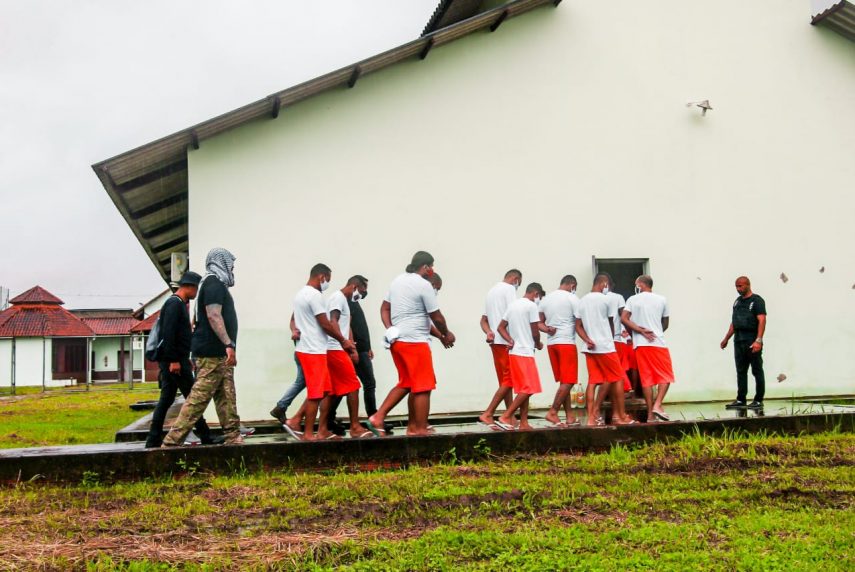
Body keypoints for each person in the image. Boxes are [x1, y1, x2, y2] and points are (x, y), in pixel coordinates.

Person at [366, 251, 455, 437]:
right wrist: (446, 333)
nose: (432, 270)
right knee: (424, 386)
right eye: (431, 266)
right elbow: (436, 317)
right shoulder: (423, 285)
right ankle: (420, 429)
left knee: (408, 383)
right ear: (426, 267)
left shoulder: (397, 281)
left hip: (398, 341)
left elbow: (384, 308)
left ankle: (401, 424)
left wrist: (390, 328)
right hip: (415, 342)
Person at [162, 248, 243, 447]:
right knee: (198, 398)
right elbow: (213, 315)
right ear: (220, 262)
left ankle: (233, 437)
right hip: (213, 353)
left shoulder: (210, 283)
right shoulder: (214, 283)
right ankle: (171, 443)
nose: (232, 267)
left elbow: (195, 320)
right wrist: (228, 343)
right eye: (230, 263)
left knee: (226, 396)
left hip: (217, 353)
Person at [145, 272, 222, 448]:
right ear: (190, 286)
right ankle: (205, 436)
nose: (196, 294)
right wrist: (174, 361)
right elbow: (169, 334)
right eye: (196, 289)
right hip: (173, 362)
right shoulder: (174, 304)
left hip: (178, 360)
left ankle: (153, 438)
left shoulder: (178, 304)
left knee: (169, 399)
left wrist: (185, 358)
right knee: (193, 397)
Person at [288, 264, 358, 441]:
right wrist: (343, 341)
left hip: (312, 348)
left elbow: (294, 320)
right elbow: (325, 324)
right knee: (316, 394)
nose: (327, 283)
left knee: (326, 391)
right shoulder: (314, 295)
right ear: (322, 277)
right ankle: (308, 434)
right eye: (327, 279)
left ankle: (322, 430)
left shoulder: (300, 294)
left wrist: (294, 330)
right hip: (313, 350)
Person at [574, 274, 634, 427]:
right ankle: (619, 416)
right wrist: (611, 338)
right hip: (606, 346)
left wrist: (587, 339)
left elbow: (578, 326)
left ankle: (591, 417)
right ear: (603, 283)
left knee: (593, 381)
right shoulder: (606, 300)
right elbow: (610, 323)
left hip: (589, 347)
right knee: (618, 378)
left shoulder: (581, 301)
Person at [494, 283, 551, 431]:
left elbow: (500, 327)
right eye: (539, 297)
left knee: (523, 388)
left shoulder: (513, 305)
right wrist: (538, 343)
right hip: (525, 352)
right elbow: (535, 331)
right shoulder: (531, 306)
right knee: (529, 387)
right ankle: (506, 416)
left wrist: (510, 340)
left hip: (515, 352)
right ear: (536, 294)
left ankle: (524, 422)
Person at [621, 275, 675, 422]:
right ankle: (657, 405)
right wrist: (655, 332)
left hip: (640, 345)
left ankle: (651, 414)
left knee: (647, 380)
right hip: (657, 343)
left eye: (636, 284)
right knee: (666, 376)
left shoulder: (632, 299)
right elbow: (666, 323)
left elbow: (624, 318)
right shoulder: (662, 299)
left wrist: (638, 331)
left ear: (640, 284)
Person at [478, 269, 522, 426]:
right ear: (515, 279)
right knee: (509, 379)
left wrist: (489, 332)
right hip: (506, 341)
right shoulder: (509, 289)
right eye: (518, 283)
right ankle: (488, 413)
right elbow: (513, 313)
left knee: (505, 381)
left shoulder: (491, 291)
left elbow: (483, 320)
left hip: (495, 341)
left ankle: (510, 415)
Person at [539, 275, 581, 427]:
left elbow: (539, 322)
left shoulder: (546, 299)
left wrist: (548, 329)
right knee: (569, 381)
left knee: (564, 382)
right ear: (572, 284)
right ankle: (553, 411)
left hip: (552, 344)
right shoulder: (572, 298)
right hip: (566, 342)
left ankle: (569, 416)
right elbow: (579, 322)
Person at [720, 276, 767, 409]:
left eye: (740, 286)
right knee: (741, 371)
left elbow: (762, 320)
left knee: (756, 370)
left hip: (751, 339)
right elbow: (734, 322)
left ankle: (758, 399)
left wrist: (758, 340)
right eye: (736, 286)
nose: (738, 289)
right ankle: (741, 399)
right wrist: (726, 339)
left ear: (748, 285)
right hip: (738, 340)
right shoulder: (737, 302)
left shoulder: (757, 301)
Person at [604, 275, 633, 395]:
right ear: (611, 285)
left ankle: (617, 392)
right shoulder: (618, 297)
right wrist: (630, 334)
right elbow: (624, 317)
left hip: (600, 339)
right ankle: (626, 388)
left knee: (608, 369)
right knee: (617, 367)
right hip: (616, 338)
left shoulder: (594, 298)